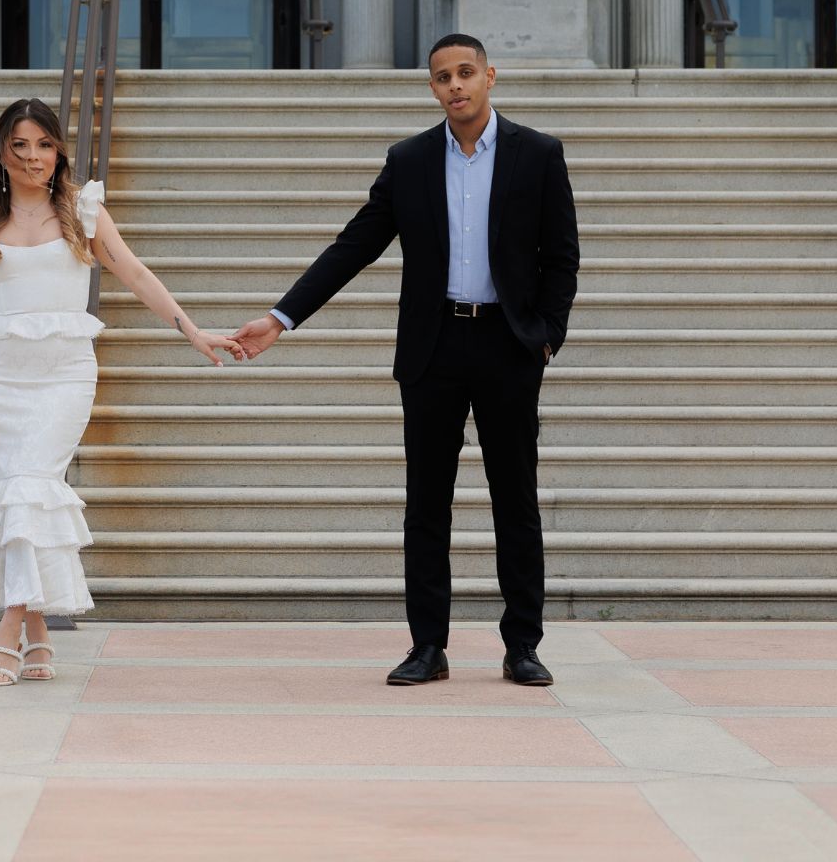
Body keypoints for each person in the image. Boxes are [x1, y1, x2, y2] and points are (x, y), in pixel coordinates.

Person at [233, 35, 579, 687]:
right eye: (444, 77)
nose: (456, 85)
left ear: (490, 77)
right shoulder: (412, 161)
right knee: (426, 504)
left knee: (516, 500)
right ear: (432, 88)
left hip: (508, 347)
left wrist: (545, 336)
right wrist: (281, 317)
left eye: (467, 73)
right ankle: (428, 645)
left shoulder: (538, 155)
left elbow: (561, 257)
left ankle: (522, 646)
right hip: (433, 349)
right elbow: (353, 246)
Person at [0, 98, 242, 685]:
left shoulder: (83, 210)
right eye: (20, 146)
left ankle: (6, 633)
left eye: (44, 145)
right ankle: (36, 635)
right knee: (17, 494)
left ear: (59, 151)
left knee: (32, 490)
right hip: (2, 374)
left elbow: (135, 274)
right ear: (1, 154)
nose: (33, 158)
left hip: (64, 374)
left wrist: (193, 331)